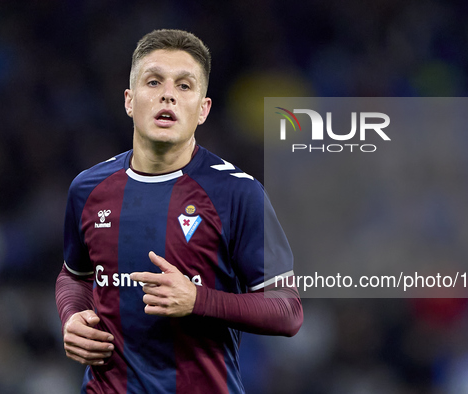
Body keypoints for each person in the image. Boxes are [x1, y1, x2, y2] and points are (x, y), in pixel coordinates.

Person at [55, 29, 303, 393]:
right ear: (129, 100)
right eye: (153, 81)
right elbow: (74, 276)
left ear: (203, 109)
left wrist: (197, 300)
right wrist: (72, 316)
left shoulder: (238, 193)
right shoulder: (88, 189)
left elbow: (288, 311)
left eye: (184, 86)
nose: (167, 93)